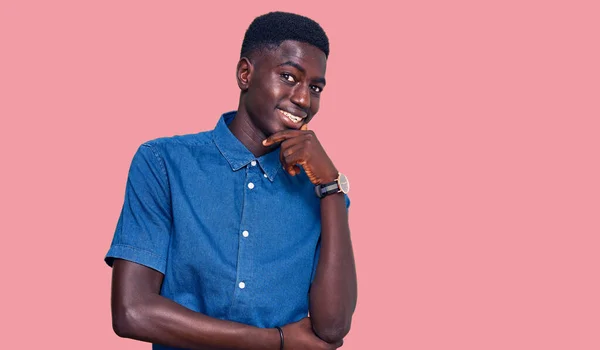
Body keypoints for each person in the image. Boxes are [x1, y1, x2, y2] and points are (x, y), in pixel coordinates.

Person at [105, 11, 356, 350]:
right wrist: (277, 341)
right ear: (244, 74)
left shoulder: (322, 191)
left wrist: (331, 189)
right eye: (288, 76)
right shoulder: (163, 164)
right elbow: (132, 311)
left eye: (315, 87)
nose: (302, 100)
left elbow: (333, 327)